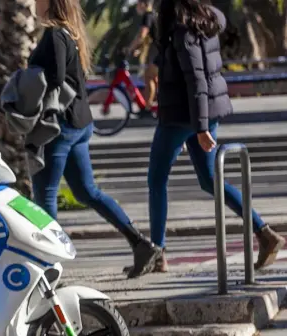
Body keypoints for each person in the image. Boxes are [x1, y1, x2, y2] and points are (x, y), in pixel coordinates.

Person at [28, 0, 163, 278]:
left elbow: (53, 82)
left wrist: (23, 88)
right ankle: (140, 244)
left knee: (46, 194)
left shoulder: (54, 35)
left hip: (59, 127)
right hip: (79, 123)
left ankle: (49, 268)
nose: (34, 2)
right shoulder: (70, 33)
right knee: (87, 192)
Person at [149, 0, 284, 271]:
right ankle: (264, 232)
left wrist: (199, 129)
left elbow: (197, 80)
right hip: (202, 113)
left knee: (156, 179)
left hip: (182, 116)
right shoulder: (206, 21)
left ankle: (158, 252)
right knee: (210, 180)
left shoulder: (183, 30)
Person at [127, 0, 159, 115]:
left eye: (138, 4)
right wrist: (138, 49)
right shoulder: (153, 14)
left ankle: (148, 107)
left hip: (161, 52)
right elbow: (149, 37)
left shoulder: (148, 16)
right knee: (154, 78)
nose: (136, 7)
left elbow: (142, 35)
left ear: (144, 4)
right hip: (162, 51)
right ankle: (156, 104)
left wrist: (129, 49)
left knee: (149, 75)